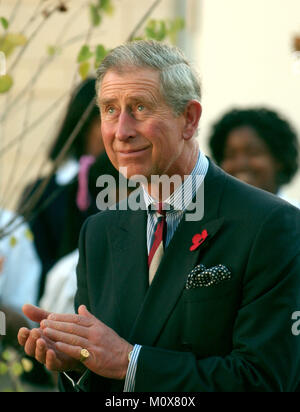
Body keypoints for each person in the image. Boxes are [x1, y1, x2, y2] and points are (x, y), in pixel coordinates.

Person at [18, 40, 300, 392]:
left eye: (139, 108)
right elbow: (102, 372)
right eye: (109, 109)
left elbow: (266, 380)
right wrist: (78, 365)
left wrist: (129, 362)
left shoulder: (271, 224)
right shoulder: (99, 232)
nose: (121, 131)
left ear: (189, 119)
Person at [19, 77, 104, 299]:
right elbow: (31, 274)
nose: (122, 132)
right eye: (108, 115)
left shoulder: (141, 191)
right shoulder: (43, 194)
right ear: (84, 123)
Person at [208, 108, 300, 206]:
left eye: (253, 153)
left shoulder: (295, 217)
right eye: (230, 155)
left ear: (280, 160)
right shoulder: (208, 218)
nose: (241, 164)